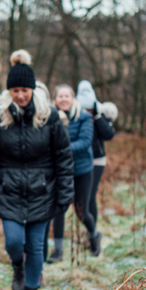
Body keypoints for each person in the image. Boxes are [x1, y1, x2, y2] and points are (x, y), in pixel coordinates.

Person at [0, 49, 74, 290]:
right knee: (14, 242)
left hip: (43, 191)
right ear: (9, 91)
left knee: (36, 246)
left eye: (25, 90)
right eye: (15, 90)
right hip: (8, 191)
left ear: (33, 90)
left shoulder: (49, 117)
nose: (21, 95)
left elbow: (64, 158)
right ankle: (17, 265)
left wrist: (65, 194)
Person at [46, 84, 98, 262]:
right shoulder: (50, 117)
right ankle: (58, 252)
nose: (63, 99)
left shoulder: (84, 117)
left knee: (81, 212)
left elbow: (84, 142)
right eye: (60, 96)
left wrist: (60, 149)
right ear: (55, 100)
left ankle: (94, 235)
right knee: (58, 211)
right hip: (60, 172)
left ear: (73, 98)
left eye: (66, 96)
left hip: (82, 170)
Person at [76, 80, 116, 240]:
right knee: (79, 201)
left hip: (97, 161)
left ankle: (92, 233)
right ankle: (90, 229)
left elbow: (109, 134)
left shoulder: (100, 113)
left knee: (90, 196)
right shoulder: (75, 113)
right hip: (80, 160)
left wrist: (97, 117)